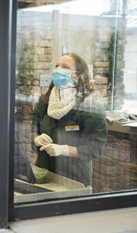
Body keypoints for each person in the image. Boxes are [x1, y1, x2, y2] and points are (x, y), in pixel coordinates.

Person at [30, 53, 107, 186]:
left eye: (65, 67)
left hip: (73, 177)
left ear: (77, 75)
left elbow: (95, 147)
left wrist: (64, 150)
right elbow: (32, 129)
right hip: (44, 172)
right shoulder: (44, 101)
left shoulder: (90, 105)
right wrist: (36, 138)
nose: (58, 70)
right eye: (57, 66)